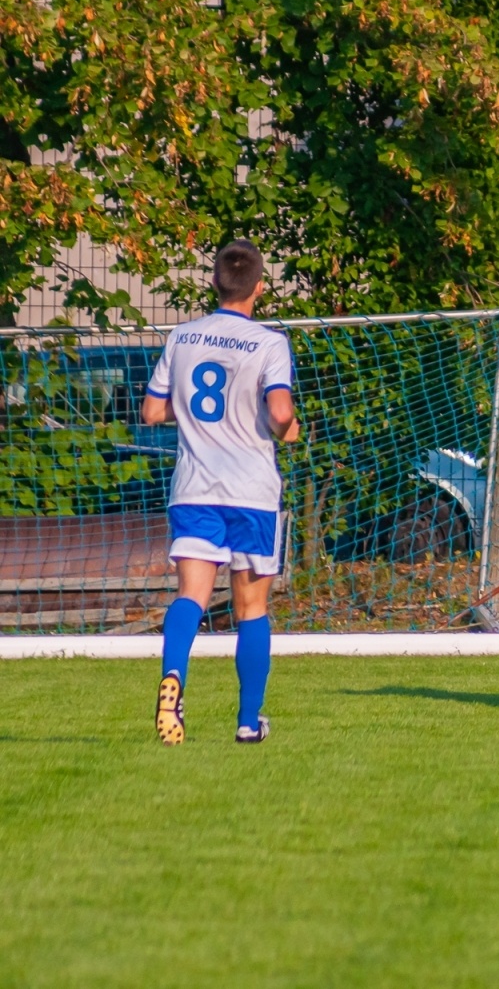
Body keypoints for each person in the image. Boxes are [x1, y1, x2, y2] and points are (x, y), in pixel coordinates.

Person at [142, 239, 300, 745]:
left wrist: (190, 411)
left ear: (214, 282)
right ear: (259, 287)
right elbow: (279, 412)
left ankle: (173, 676)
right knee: (250, 608)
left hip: (194, 488)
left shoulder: (182, 336)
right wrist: (288, 427)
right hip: (250, 492)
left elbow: (152, 411)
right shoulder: (269, 342)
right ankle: (249, 722)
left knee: (191, 595)